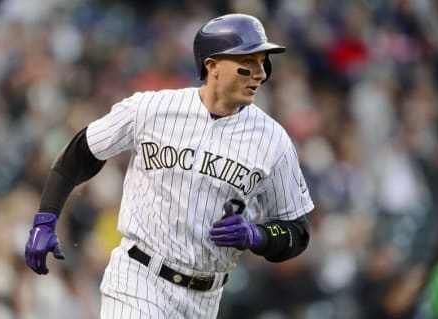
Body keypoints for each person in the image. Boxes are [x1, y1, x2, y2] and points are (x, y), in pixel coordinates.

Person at [25, 13, 315, 319]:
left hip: (206, 297)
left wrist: (259, 236)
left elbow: (298, 232)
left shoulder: (274, 141)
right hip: (138, 279)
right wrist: (46, 217)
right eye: (250, 61)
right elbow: (81, 152)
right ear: (211, 65)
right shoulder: (152, 109)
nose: (260, 74)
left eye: (263, 63)